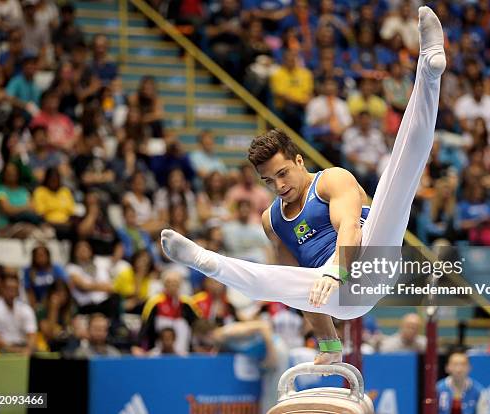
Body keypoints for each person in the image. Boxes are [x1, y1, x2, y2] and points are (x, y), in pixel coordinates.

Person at [161, 6, 446, 364]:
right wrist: (328, 343)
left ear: (299, 161)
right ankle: (207, 262)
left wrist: (336, 270)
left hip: (368, 263)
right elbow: (292, 285)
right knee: (275, 280)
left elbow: (351, 232)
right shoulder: (272, 221)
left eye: (282, 174)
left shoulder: (331, 180)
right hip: (334, 299)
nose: (278, 186)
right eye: (268, 181)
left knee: (399, 176)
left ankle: (429, 67)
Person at [0, 272, 37, 354]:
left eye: (15, 289)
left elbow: (32, 334)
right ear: (2, 288)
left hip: (24, 348)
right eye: (9, 289)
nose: (12, 292)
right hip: (1, 350)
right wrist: (17, 351)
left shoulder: (26, 309)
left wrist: (28, 349)